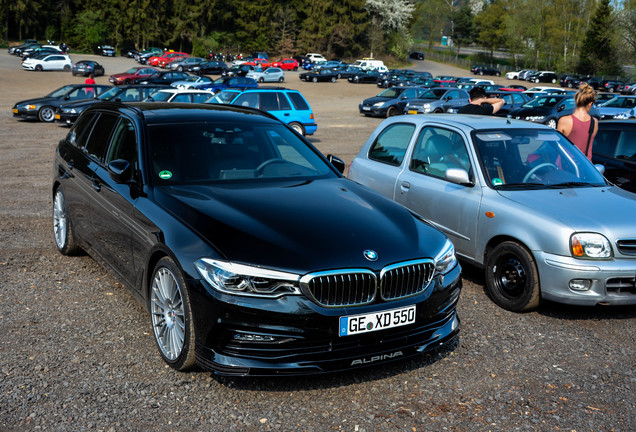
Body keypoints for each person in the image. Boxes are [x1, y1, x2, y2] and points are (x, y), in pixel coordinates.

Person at [557, 83, 598, 160]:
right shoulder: (594, 122)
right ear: (590, 104)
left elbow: (557, 145)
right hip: (585, 166)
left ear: (576, 101)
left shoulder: (564, 120)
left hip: (566, 164)